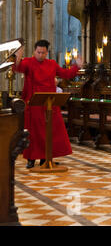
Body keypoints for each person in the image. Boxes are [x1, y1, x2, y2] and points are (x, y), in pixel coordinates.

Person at [13, 40, 83, 169]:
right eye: (38, 52)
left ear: (47, 52)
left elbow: (65, 74)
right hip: (34, 104)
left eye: (43, 53)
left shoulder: (52, 64)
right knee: (33, 133)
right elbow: (17, 68)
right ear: (34, 51)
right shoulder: (28, 62)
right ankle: (31, 159)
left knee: (51, 132)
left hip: (50, 103)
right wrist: (17, 57)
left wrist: (76, 66)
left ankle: (47, 157)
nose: (40, 55)